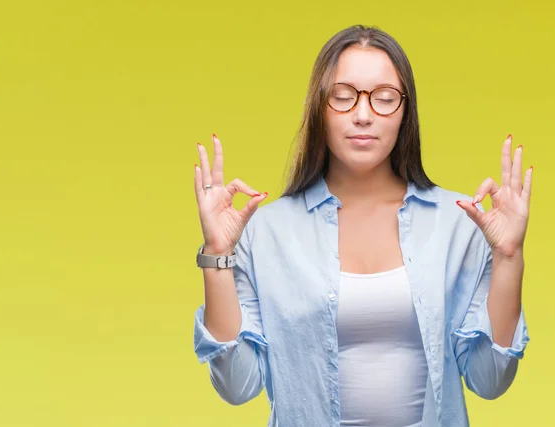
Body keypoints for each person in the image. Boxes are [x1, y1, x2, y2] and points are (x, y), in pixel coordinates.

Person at [192, 25, 531, 427]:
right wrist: (217, 254)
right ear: (319, 107)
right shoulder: (265, 231)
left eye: (385, 98)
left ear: (406, 111)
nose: (364, 114)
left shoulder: (460, 221)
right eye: (343, 97)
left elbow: (489, 379)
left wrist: (508, 257)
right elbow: (237, 386)